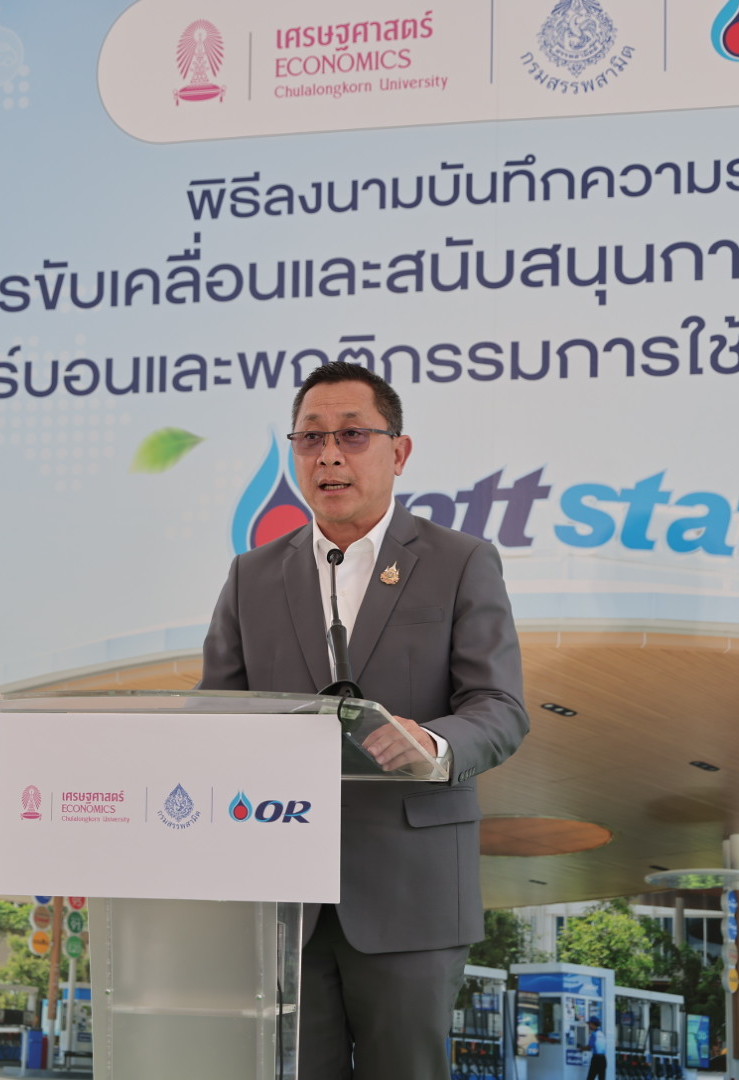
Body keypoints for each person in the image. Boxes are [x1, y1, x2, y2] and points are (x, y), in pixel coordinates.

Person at [200, 361, 529, 1079]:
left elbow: (500, 708)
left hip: (412, 892)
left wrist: (434, 743)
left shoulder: (460, 562)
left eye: (351, 435)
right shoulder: (251, 576)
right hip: (285, 896)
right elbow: (215, 716)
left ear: (398, 452)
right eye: (311, 438)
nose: (329, 456)